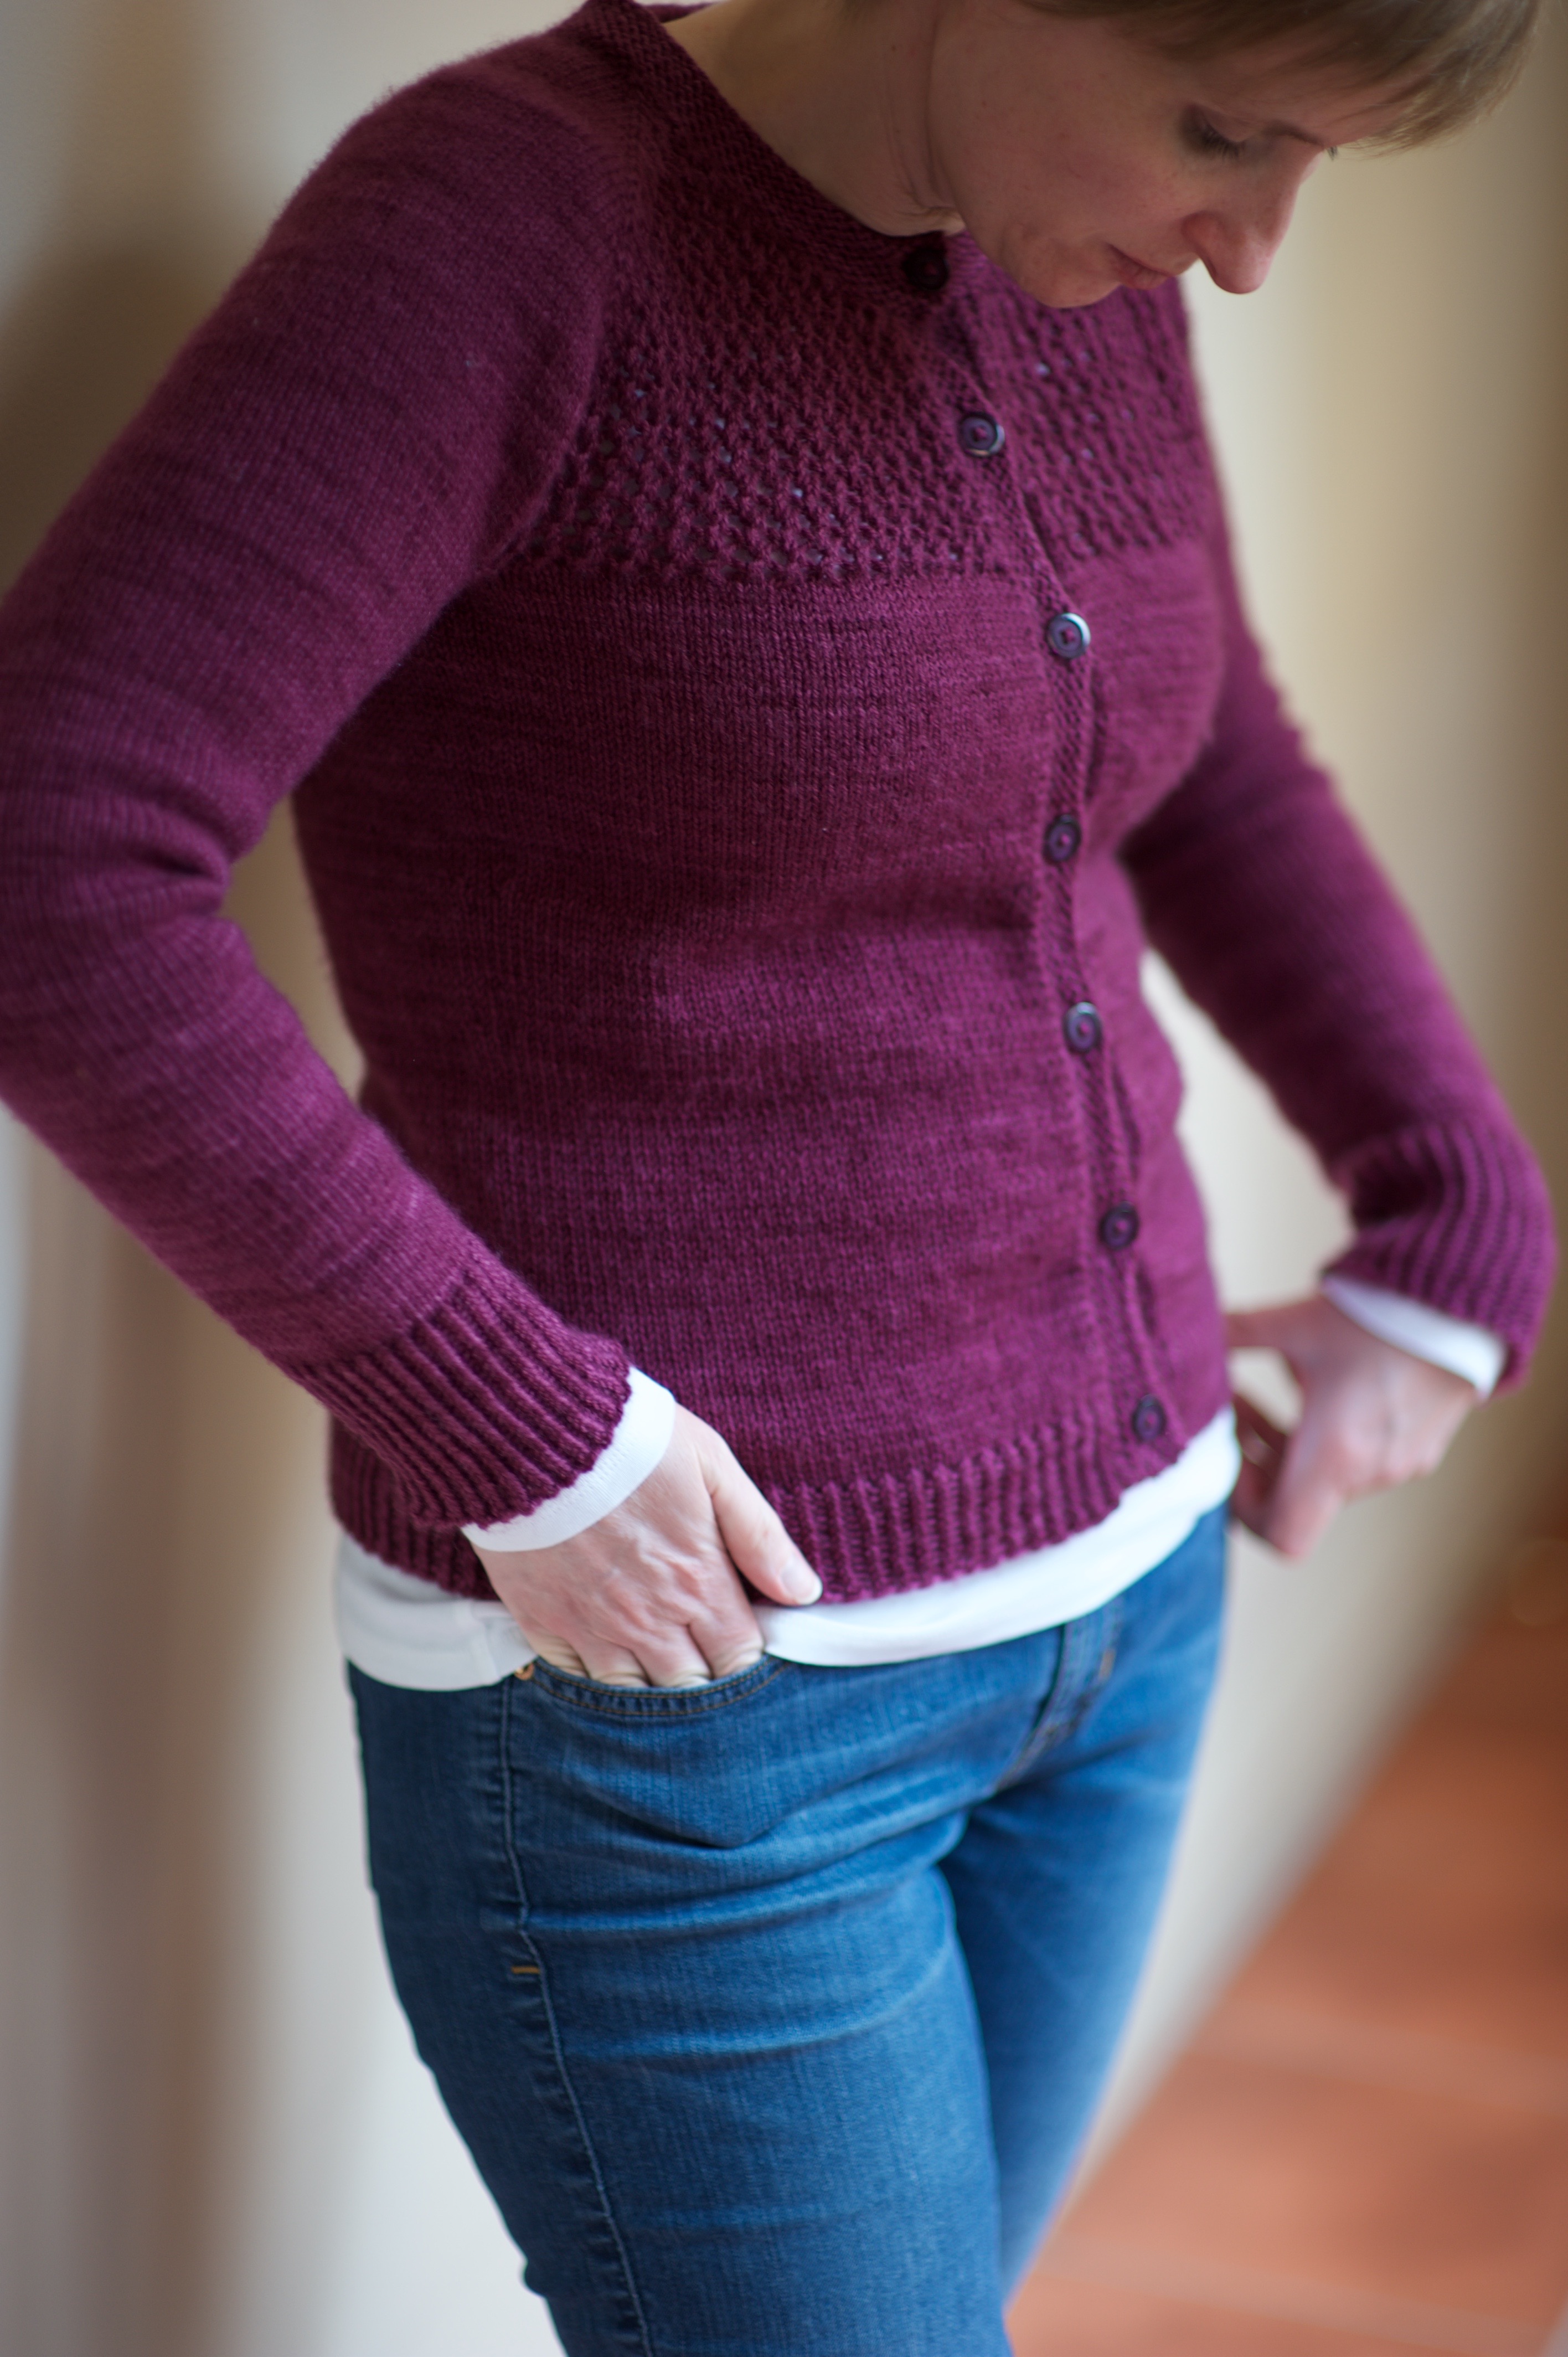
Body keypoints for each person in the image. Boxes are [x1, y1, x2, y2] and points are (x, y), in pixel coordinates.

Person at [0, 0, 1554, 2346]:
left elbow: (1200, 741)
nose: (1251, 249)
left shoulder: (1075, 263)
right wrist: (519, 1428)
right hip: (701, 1714)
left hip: (1131, 1611)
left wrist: (1455, 1206)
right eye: (1221, 129)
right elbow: (54, 862)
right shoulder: (507, 232)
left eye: (1313, 161)